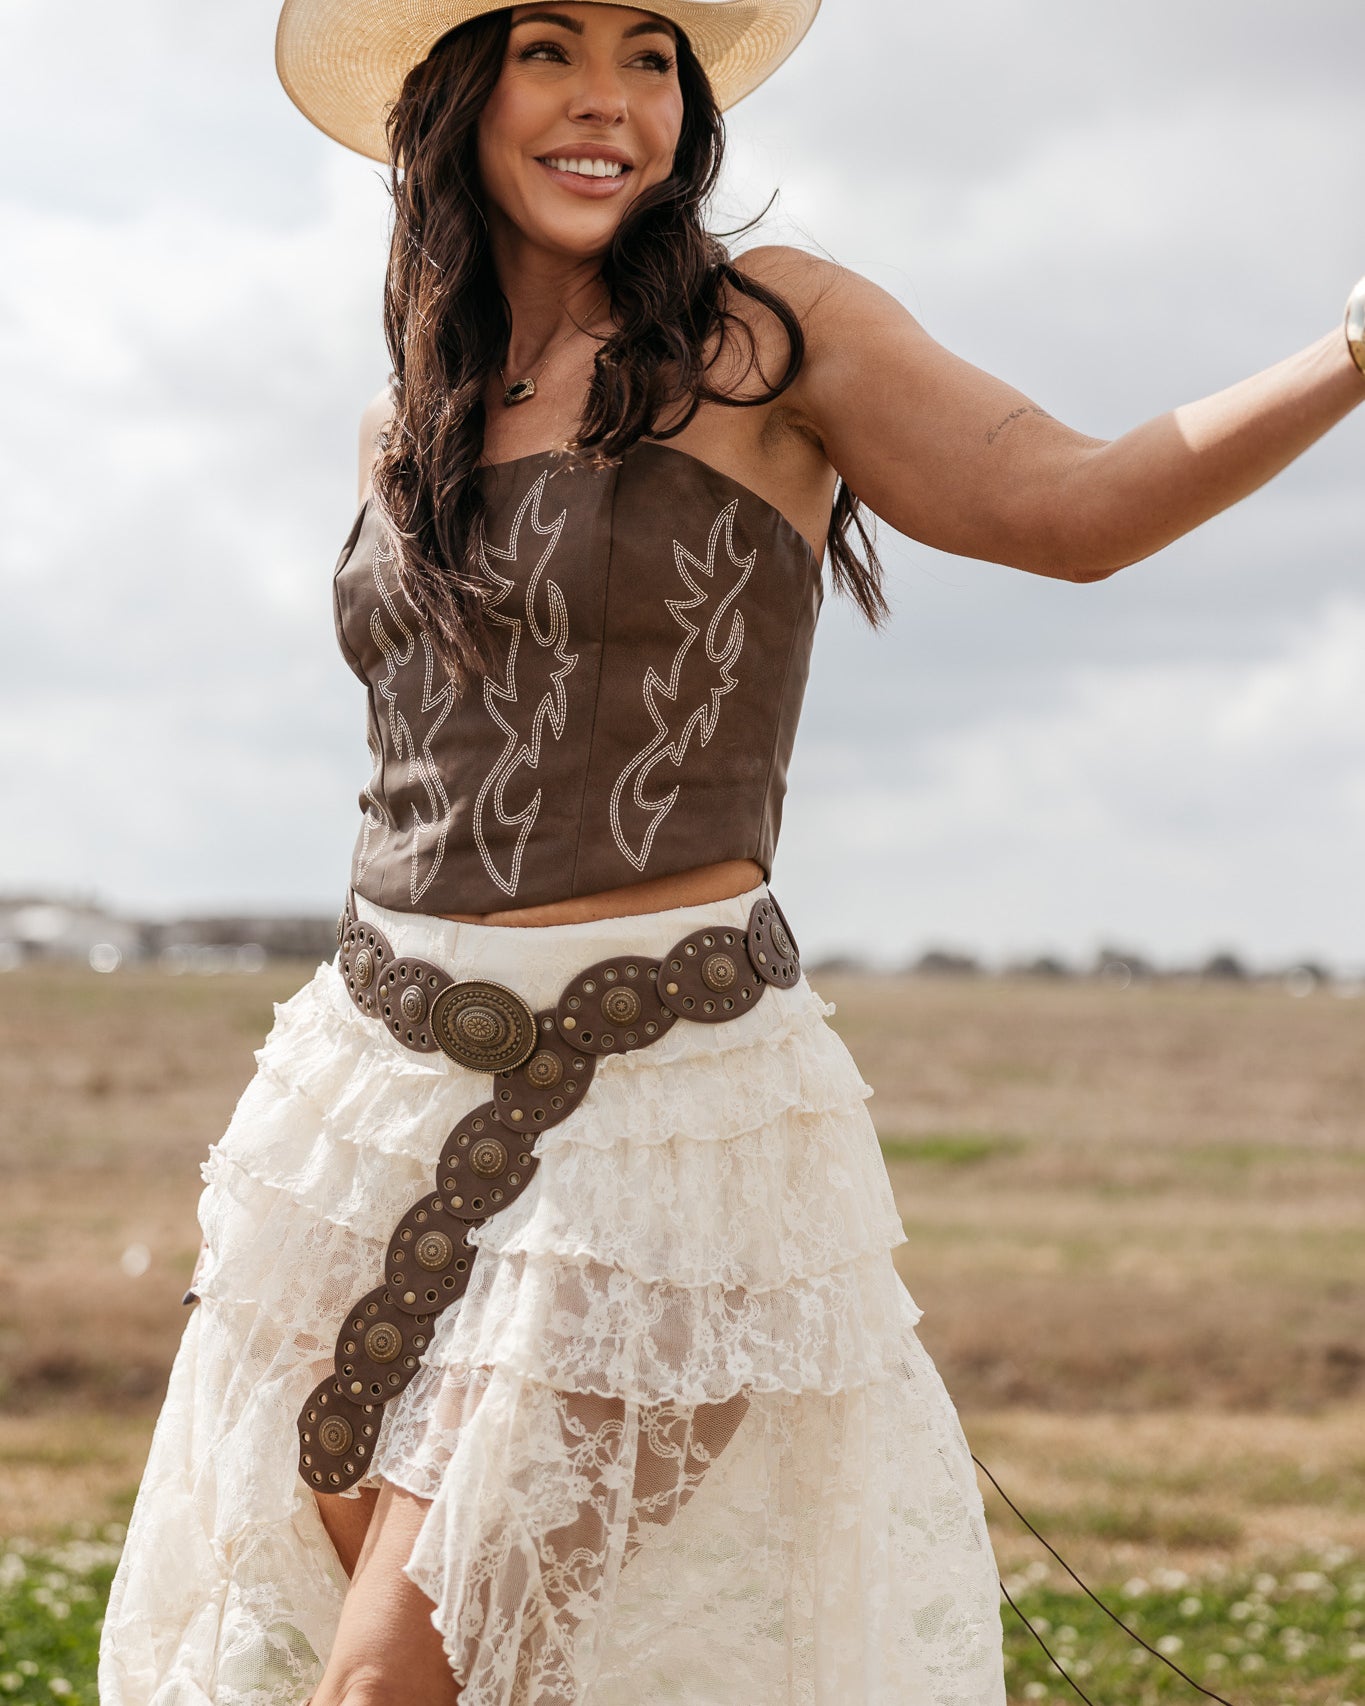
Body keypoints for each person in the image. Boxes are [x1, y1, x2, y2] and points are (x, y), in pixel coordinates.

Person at [97, 2, 1365, 1703]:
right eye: (549, 51)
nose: (606, 101)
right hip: (363, 1099)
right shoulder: (415, 401)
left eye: (648, 56)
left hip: (664, 1109)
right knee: (355, 1649)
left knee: (388, 1681)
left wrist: (1351, 349)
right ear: (457, 93)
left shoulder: (776, 335)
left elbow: (1080, 508)